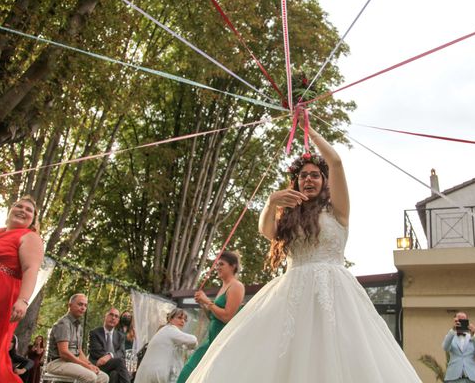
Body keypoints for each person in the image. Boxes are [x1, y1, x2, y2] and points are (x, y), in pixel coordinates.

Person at [185, 126, 422, 382]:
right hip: (291, 292)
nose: (308, 179)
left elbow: (337, 162)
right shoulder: (288, 217)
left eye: (315, 175)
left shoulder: (338, 212)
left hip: (335, 292)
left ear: (325, 181)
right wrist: (270, 202)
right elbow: (266, 230)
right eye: (303, 176)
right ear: (296, 182)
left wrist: (307, 130)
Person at [0, 195, 44, 383]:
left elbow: (30, 269)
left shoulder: (30, 237)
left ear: (33, 220)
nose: (23, 210)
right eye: (19, 206)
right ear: (10, 211)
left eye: (29, 210)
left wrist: (23, 300)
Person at [176, 251, 245, 383]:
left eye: (221, 264)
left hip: (222, 339)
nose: (217, 267)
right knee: (189, 370)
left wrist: (207, 301)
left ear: (233, 266)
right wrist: (203, 304)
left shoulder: (236, 286)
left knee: (196, 373)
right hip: (212, 336)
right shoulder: (223, 287)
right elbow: (214, 316)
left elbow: (227, 317)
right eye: (217, 264)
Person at [45, 293, 109, 383]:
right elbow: (64, 353)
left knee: (103, 377)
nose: (83, 308)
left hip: (72, 362)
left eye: (85, 305)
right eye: (80, 304)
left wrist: (90, 364)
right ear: (70, 305)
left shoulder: (78, 326)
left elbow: (79, 351)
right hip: (57, 362)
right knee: (90, 376)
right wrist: (86, 366)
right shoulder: (63, 324)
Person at [135, 308, 198, 382]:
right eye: (179, 318)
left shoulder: (164, 331)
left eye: (184, 319)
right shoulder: (171, 330)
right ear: (170, 319)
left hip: (144, 374)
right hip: (156, 375)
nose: (182, 321)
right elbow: (193, 340)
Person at [89, 307, 131, 382]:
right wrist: (113, 356)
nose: (113, 318)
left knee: (114, 374)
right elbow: (97, 352)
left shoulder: (120, 336)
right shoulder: (95, 333)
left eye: (116, 316)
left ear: (118, 321)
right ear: (105, 316)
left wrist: (110, 356)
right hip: (98, 364)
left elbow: (121, 352)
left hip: (114, 366)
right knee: (120, 361)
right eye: (111, 315)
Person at [443, 311, 475, 383]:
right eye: (458, 320)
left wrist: (473, 335)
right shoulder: (451, 336)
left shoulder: (473, 337)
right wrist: (453, 330)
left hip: (472, 377)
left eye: (463, 320)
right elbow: (445, 348)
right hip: (454, 377)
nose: (461, 322)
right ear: (454, 321)